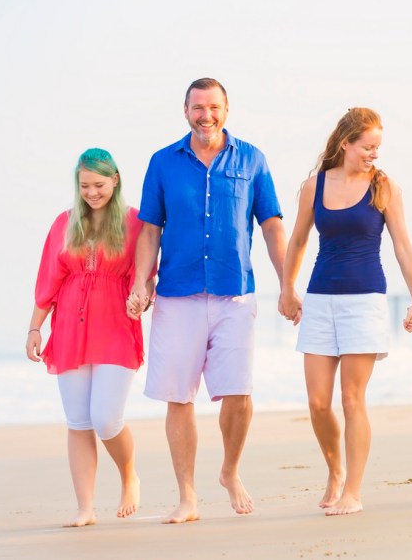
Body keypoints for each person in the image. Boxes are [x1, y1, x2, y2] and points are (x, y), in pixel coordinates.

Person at [127, 78, 287, 523]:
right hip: (177, 295)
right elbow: (150, 230)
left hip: (235, 293)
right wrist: (140, 283)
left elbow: (272, 226)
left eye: (213, 107)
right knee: (179, 397)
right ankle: (187, 497)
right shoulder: (162, 162)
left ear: (226, 110)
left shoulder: (252, 159)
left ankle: (229, 471)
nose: (206, 116)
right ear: (185, 112)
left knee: (239, 393)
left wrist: (287, 284)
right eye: (198, 108)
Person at [278, 107, 412, 516]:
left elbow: (402, 246)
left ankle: (353, 492)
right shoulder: (315, 186)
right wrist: (287, 289)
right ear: (346, 143)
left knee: (352, 398)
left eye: (378, 147)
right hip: (320, 299)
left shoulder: (383, 187)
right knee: (317, 402)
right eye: (368, 147)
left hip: (364, 301)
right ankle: (335, 470)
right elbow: (298, 241)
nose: (374, 154)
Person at [27, 148, 152, 527]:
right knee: (79, 421)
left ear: (115, 180)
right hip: (69, 328)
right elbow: (49, 280)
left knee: (105, 418)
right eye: (84, 186)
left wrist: (142, 298)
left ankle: (129, 475)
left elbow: (147, 276)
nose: (92, 193)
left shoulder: (136, 223)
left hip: (116, 326)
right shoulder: (64, 224)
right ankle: (85, 508)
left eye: (99, 184)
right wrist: (35, 328)